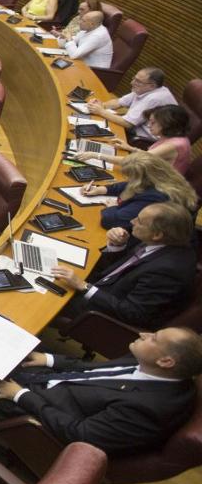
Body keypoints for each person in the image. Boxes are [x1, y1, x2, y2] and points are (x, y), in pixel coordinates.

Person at [0, 326, 202, 455]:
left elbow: (80, 434)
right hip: (53, 382)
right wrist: (50, 359)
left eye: (154, 338)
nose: (144, 334)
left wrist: (21, 396)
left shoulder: (146, 409)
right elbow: (93, 370)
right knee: (2, 343)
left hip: (39, 413)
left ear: (166, 361)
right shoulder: (149, 363)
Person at [48, 202, 198, 330]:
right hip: (103, 289)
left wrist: (84, 286)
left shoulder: (167, 270)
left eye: (139, 221)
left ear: (157, 234)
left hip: (102, 312)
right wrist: (117, 246)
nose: (132, 221)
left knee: (39, 296)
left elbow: (134, 313)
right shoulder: (163, 242)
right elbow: (124, 272)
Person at [87, 152, 197, 232]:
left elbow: (111, 221)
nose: (128, 180)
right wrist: (102, 189)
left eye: (130, 177)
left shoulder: (155, 197)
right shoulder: (163, 178)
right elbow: (128, 185)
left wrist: (112, 207)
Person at [79, 105, 192, 176]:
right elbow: (152, 156)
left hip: (161, 189)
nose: (148, 125)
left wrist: (96, 155)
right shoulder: (172, 137)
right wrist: (130, 148)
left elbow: (133, 161)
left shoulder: (173, 144)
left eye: (153, 123)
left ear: (167, 124)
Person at [86, 67, 177, 142]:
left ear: (152, 86)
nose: (132, 83)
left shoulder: (154, 98)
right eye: (134, 78)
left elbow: (128, 123)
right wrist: (101, 105)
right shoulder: (144, 89)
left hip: (143, 140)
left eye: (137, 81)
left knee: (92, 138)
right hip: (133, 130)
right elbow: (119, 102)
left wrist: (101, 111)